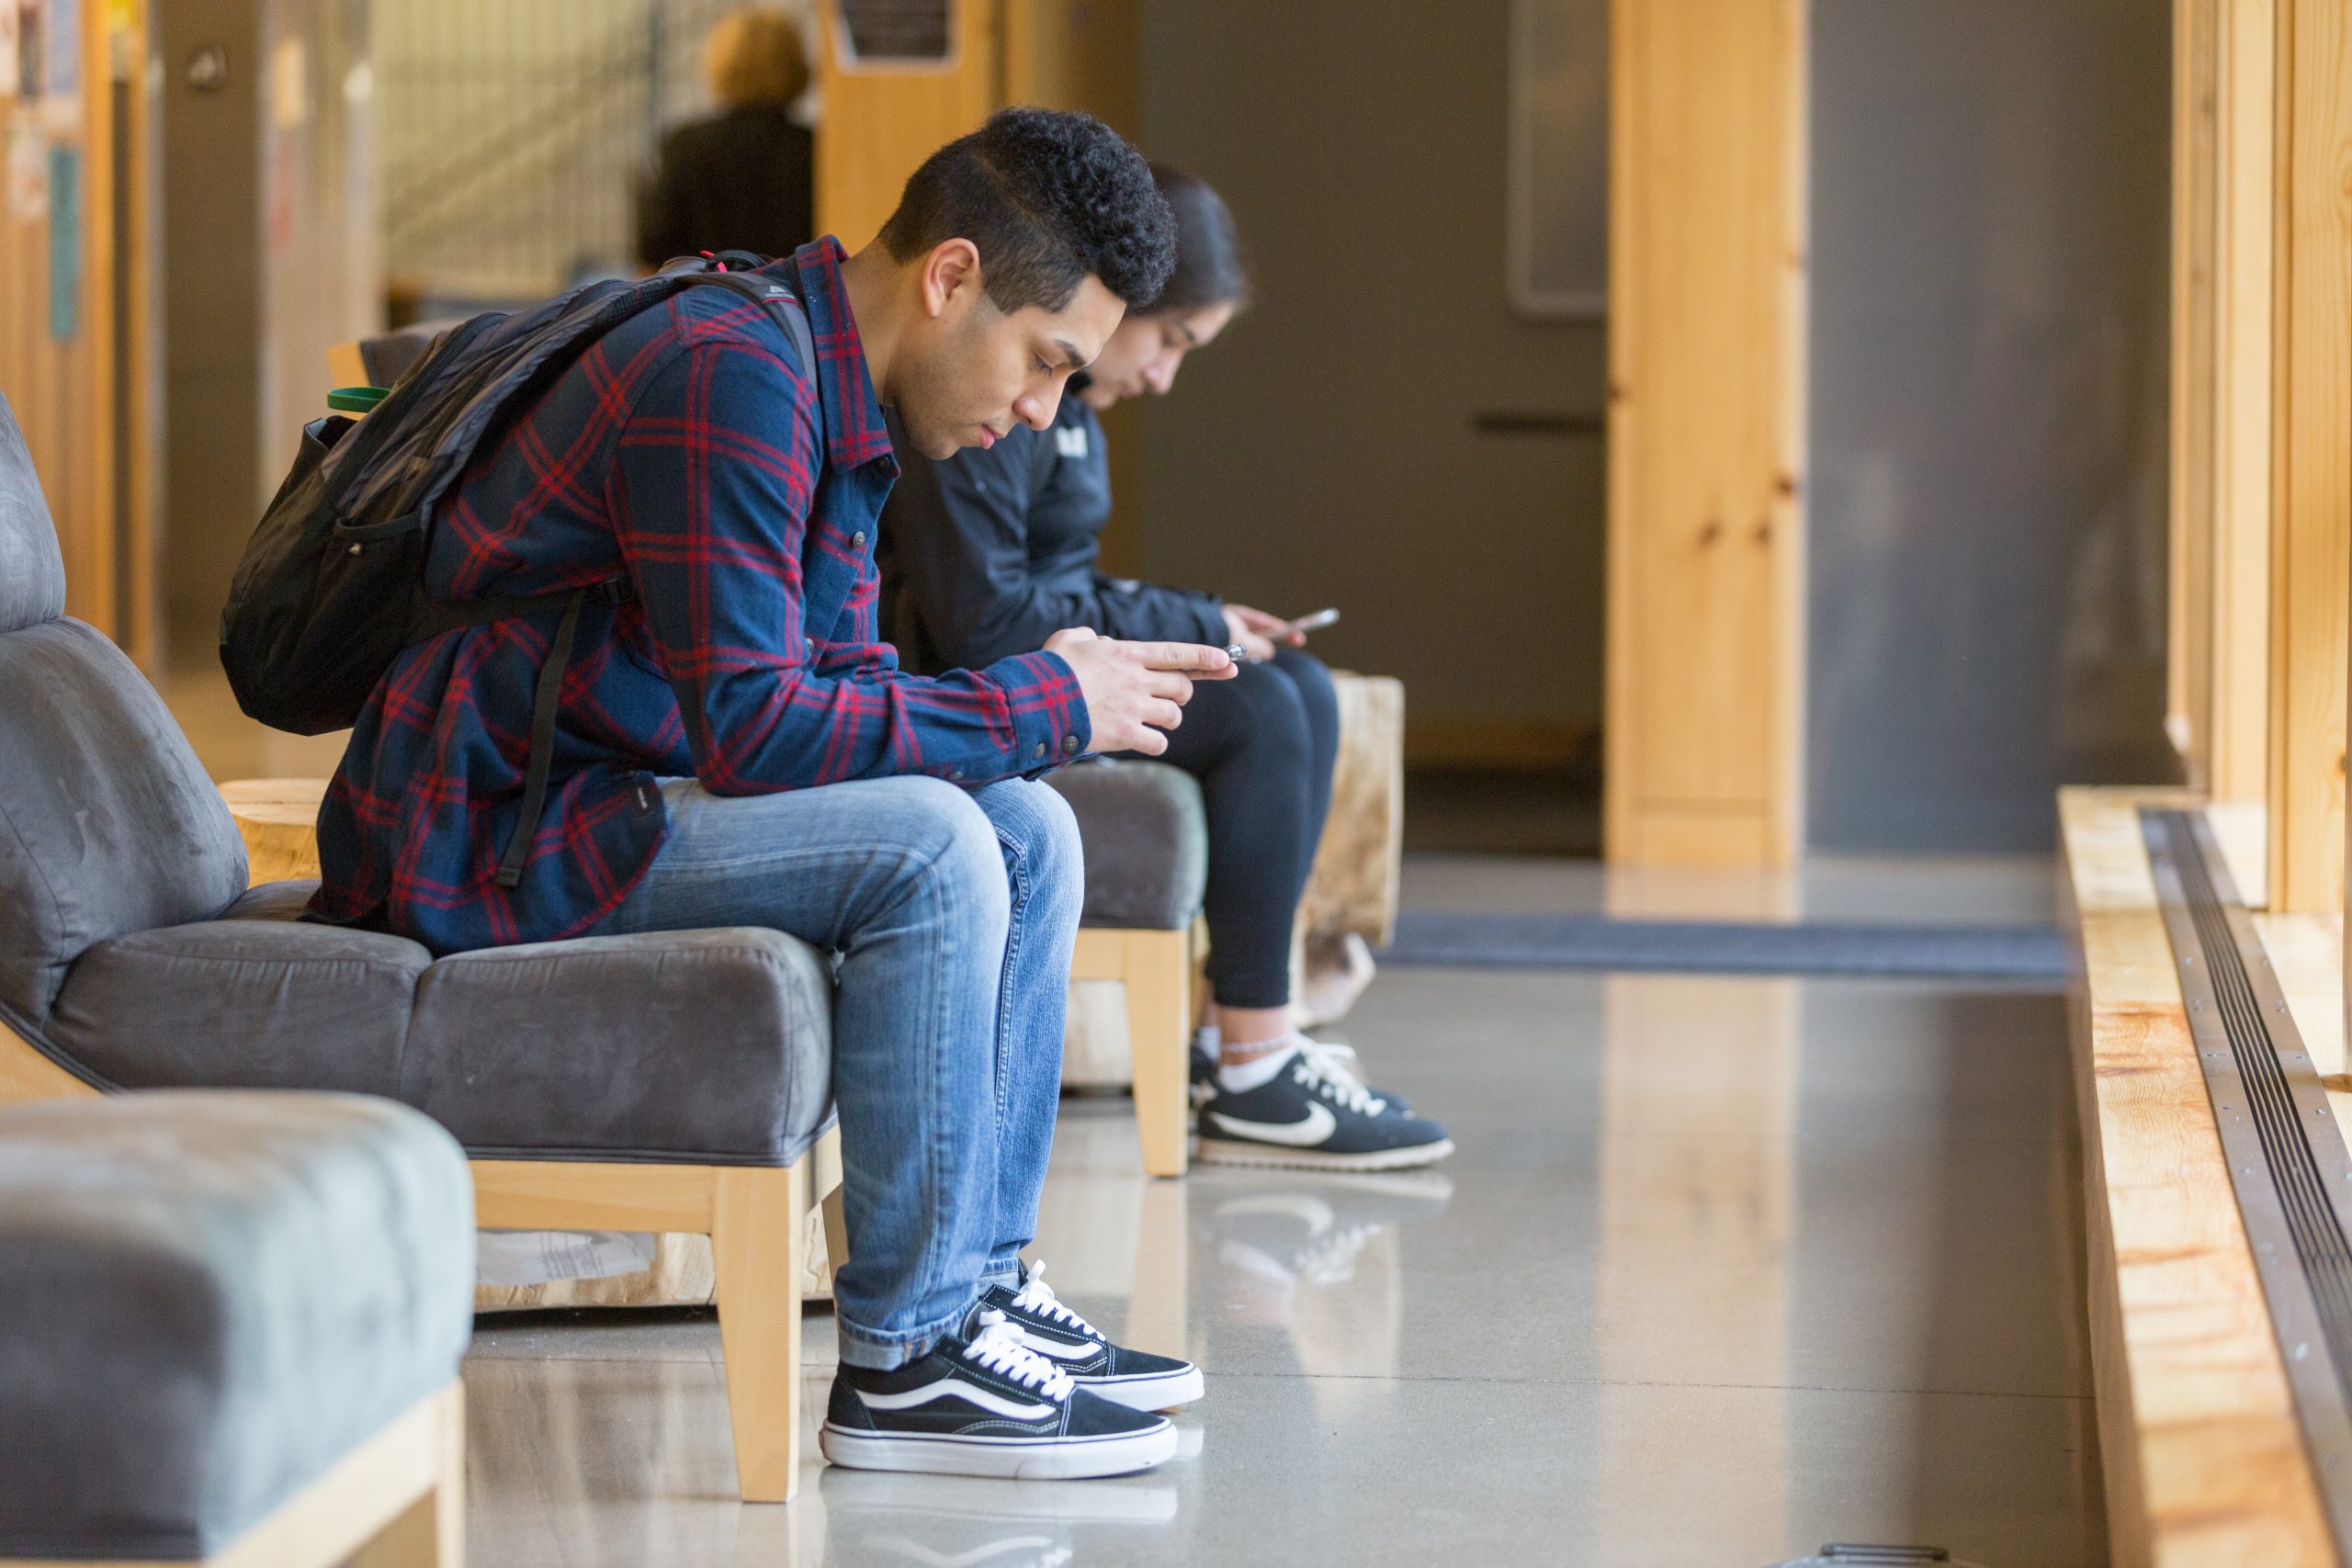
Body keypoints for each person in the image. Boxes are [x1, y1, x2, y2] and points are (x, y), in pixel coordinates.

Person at [313, 109, 1234, 1481]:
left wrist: (1028, 709)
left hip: (612, 785)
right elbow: (758, 729)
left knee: (1024, 821)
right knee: (936, 847)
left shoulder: (829, 382)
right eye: (1046, 362)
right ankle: (909, 1358)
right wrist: (1048, 693)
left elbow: (849, 687)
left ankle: (976, 1287)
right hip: (496, 828)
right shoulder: (729, 371)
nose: (1045, 411)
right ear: (950, 278)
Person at [880, 165, 1453, 1172]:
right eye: (1172, 342)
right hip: (971, 677)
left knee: (1296, 688)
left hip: (1034, 648)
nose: (1161, 376)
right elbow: (986, 619)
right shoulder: (985, 400)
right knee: (1264, 711)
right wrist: (1188, 621)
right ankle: (1253, 1065)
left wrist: (1199, 618)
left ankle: (1233, 1048)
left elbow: (1059, 581)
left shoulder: (1064, 411)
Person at [634, 7, 814, 267]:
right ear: (797, 66)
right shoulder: (814, 148)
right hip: (793, 300)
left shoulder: (685, 145)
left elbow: (655, 248)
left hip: (705, 299)